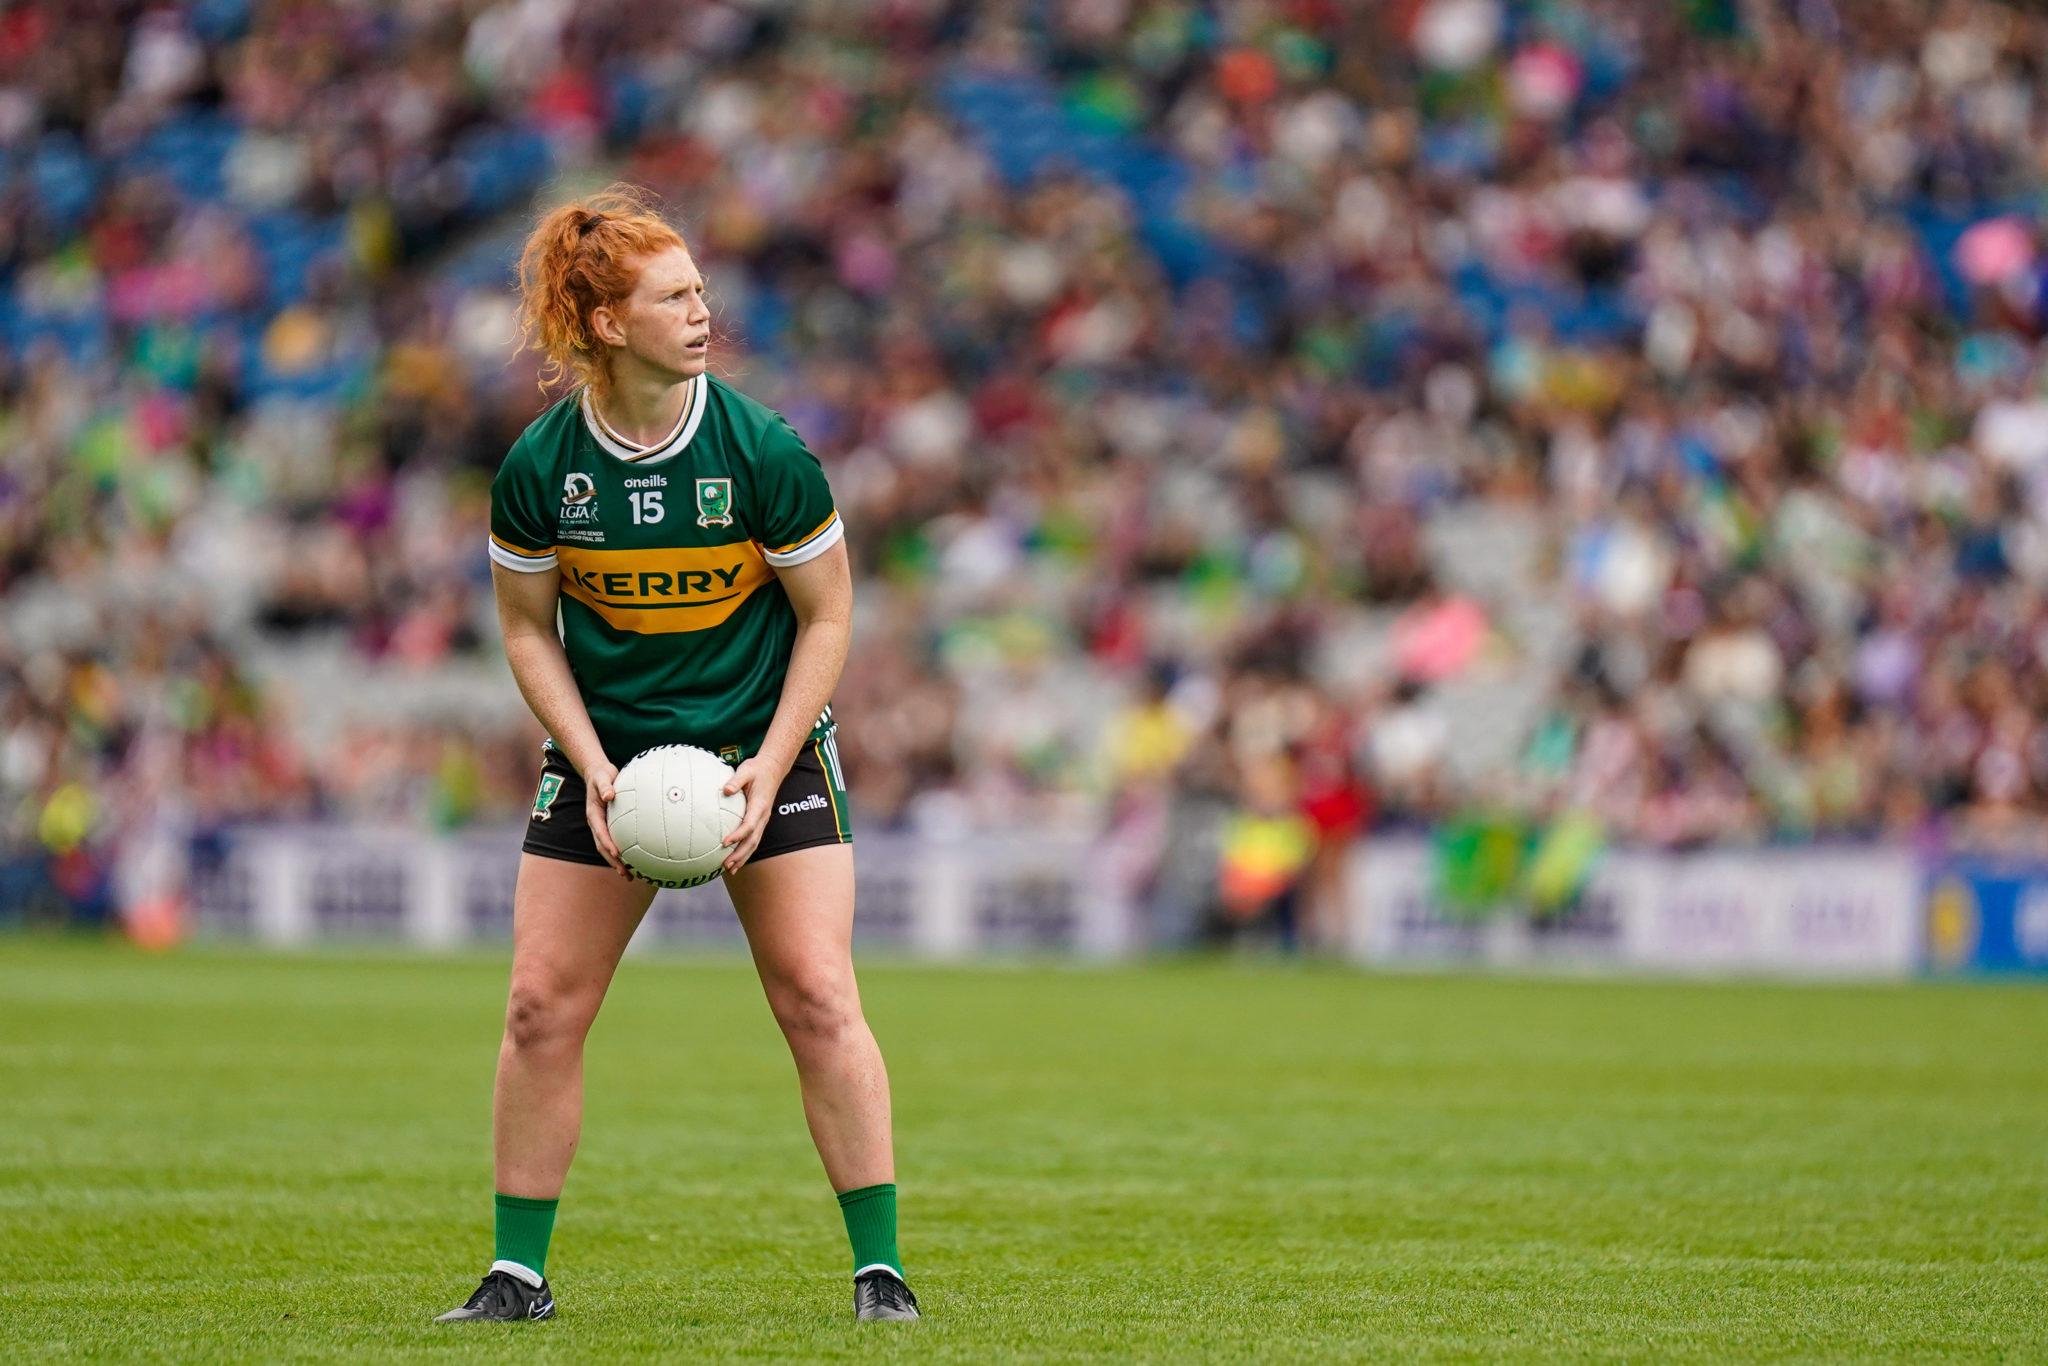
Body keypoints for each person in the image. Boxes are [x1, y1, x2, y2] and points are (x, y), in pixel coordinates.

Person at [435, 186, 916, 1324]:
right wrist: (591, 764)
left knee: (815, 991)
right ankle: (516, 1276)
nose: (704, 310)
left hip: (769, 744)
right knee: (539, 1007)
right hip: (607, 756)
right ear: (605, 323)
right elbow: (522, 627)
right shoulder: (540, 468)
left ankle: (880, 1272)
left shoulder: (764, 451)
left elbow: (829, 617)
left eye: (701, 288)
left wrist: (768, 762)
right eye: (674, 295)